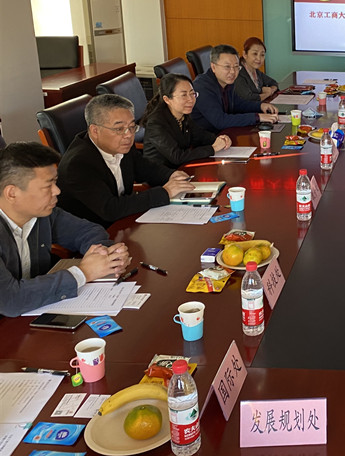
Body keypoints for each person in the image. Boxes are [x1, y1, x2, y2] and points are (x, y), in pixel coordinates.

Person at [0, 143, 131, 317]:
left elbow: (89, 231)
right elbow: (10, 300)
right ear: (12, 193)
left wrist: (106, 255)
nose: (57, 191)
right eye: (48, 186)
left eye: (55, 182)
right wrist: (84, 272)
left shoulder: (43, 214)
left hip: (35, 312)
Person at [58, 94, 195, 228]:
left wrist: (170, 175)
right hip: (96, 232)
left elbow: (144, 167)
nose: (129, 135)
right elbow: (110, 209)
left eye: (132, 127)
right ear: (95, 131)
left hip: (125, 222)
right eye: (119, 129)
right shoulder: (78, 165)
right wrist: (165, 192)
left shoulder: (120, 144)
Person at [142, 73, 232, 168]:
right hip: (161, 173)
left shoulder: (183, 116)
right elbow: (177, 157)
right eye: (184, 95)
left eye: (192, 94)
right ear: (167, 99)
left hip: (181, 169)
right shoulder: (155, 124)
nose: (191, 100)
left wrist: (221, 139)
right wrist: (213, 148)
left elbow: (201, 137)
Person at [192, 44, 279, 133]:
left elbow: (238, 104)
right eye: (227, 67)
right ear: (213, 67)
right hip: (206, 138)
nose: (233, 72)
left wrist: (260, 106)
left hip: (224, 133)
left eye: (236, 67)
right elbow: (220, 121)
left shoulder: (227, 81)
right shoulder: (202, 87)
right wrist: (257, 117)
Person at [234, 37, 279, 102]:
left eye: (262, 55)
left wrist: (271, 90)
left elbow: (273, 82)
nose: (259, 58)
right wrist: (267, 94)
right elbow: (249, 98)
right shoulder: (238, 73)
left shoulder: (256, 71)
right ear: (245, 54)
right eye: (255, 54)